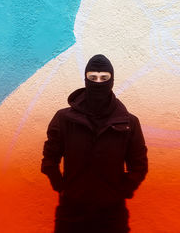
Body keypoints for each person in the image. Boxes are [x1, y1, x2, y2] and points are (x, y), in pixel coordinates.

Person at [41, 54, 148, 233]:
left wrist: (121, 192)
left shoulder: (129, 123)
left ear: (111, 80)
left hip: (112, 215)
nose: (98, 82)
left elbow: (139, 165)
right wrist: (62, 188)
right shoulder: (64, 119)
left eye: (104, 78)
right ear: (86, 79)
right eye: (93, 77)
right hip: (71, 213)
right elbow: (49, 160)